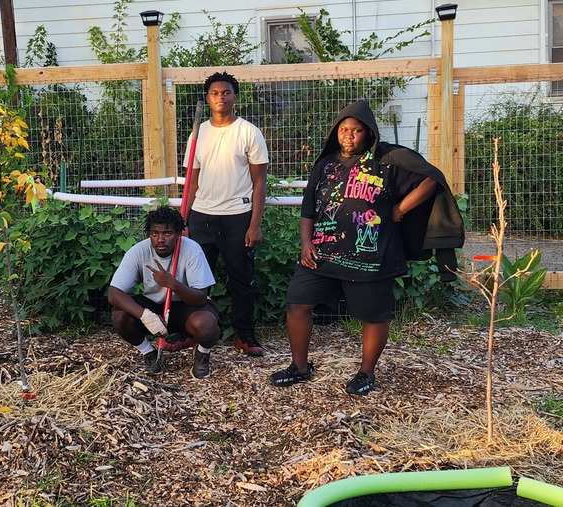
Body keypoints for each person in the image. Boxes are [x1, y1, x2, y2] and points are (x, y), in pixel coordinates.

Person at [271, 99, 463, 396]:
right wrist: (306, 243)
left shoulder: (389, 160)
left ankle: (366, 373)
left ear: (369, 133)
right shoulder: (325, 164)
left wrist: (399, 209)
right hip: (323, 252)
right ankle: (299, 367)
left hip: (370, 256)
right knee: (298, 303)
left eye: (357, 130)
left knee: (374, 315)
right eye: (344, 129)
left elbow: (431, 179)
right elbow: (308, 209)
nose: (349, 135)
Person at [184, 71, 269, 356]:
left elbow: (259, 181)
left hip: (237, 215)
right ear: (207, 98)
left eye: (226, 92)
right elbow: (192, 181)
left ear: (235, 96)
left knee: (241, 279)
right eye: (215, 93)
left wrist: (254, 224)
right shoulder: (198, 133)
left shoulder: (248, 132)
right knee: (195, 281)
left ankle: (244, 336)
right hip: (201, 216)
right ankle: (193, 332)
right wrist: (184, 220)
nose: (221, 97)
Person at [108, 207, 220, 379]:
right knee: (120, 315)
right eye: (155, 233)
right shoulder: (139, 251)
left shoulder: (192, 250)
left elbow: (200, 297)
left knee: (207, 324)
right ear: (149, 234)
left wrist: (173, 284)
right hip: (154, 306)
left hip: (186, 306)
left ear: (178, 234)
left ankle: (202, 354)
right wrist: (146, 315)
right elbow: (114, 294)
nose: (160, 239)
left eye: (167, 233)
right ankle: (148, 353)